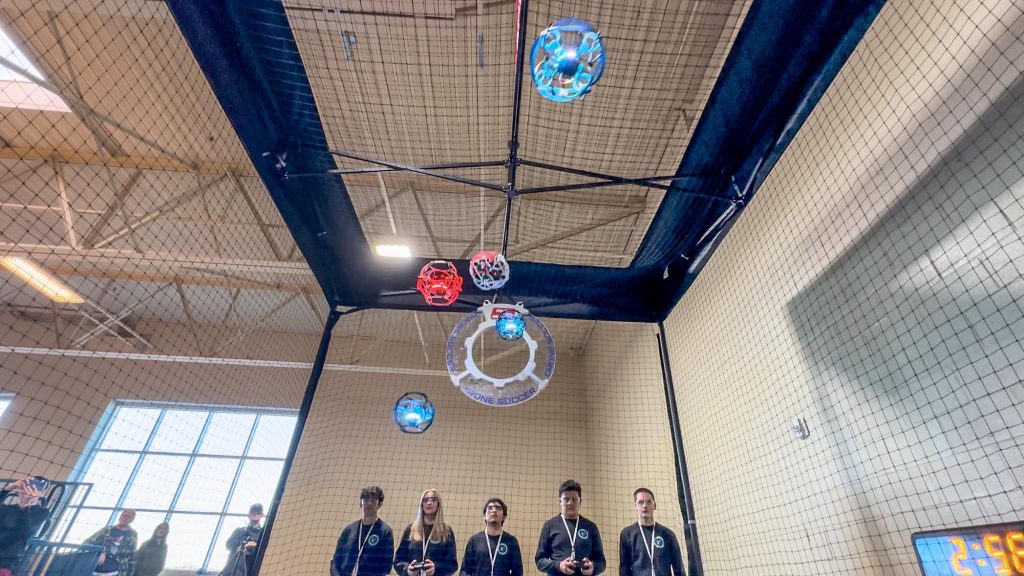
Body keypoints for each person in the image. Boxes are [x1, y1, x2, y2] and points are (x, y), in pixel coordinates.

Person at [535, 480, 605, 576]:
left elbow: (601, 561)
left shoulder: (590, 527)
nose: (570, 503)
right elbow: (540, 561)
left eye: (574, 499)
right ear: (560, 501)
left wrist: (593, 567)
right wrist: (558, 565)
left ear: (580, 501)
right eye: (566, 499)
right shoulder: (549, 526)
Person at [618, 489, 682, 576]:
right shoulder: (627, 534)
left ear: (654, 505)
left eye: (649, 502)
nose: (645, 506)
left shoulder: (667, 534)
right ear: (635, 506)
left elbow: (678, 568)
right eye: (641, 502)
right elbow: (624, 568)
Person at [332, 486, 394, 576]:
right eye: (365, 500)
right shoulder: (348, 530)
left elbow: (386, 567)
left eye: (373, 500)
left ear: (379, 504)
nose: (369, 503)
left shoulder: (385, 532)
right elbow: (336, 561)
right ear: (360, 504)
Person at [394, 489, 458, 576]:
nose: (429, 503)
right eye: (425, 500)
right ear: (421, 505)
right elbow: (398, 561)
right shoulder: (410, 529)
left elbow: (452, 565)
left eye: (433, 500)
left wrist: (436, 568)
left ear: (438, 504)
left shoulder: (447, 531)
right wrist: (407, 570)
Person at [0, 477, 50, 576]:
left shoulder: (41, 513)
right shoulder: (6, 508)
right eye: (27, 485)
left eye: (37, 486)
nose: (29, 489)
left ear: (41, 493)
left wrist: (25, 506)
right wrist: (6, 490)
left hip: (4, 562)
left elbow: (23, 531)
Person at [460, 498, 522, 576]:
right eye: (490, 508)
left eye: (498, 508)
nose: (494, 510)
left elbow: (517, 572)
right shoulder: (474, 540)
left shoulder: (511, 541)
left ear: (504, 516)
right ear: (484, 516)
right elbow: (465, 570)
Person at [84, 509, 138, 576]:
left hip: (117, 571)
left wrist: (130, 573)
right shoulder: (107, 529)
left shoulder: (132, 534)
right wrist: (98, 553)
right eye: (124, 515)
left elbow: (132, 556)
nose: (126, 518)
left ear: (132, 520)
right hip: (96, 570)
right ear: (120, 517)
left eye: (129, 517)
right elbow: (87, 543)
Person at [220, 504, 265, 576]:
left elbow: (262, 551)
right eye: (253, 511)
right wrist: (244, 544)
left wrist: (253, 546)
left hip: (248, 571)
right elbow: (228, 545)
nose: (255, 513)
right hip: (230, 571)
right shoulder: (239, 530)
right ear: (248, 514)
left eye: (258, 512)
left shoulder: (263, 533)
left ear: (262, 515)